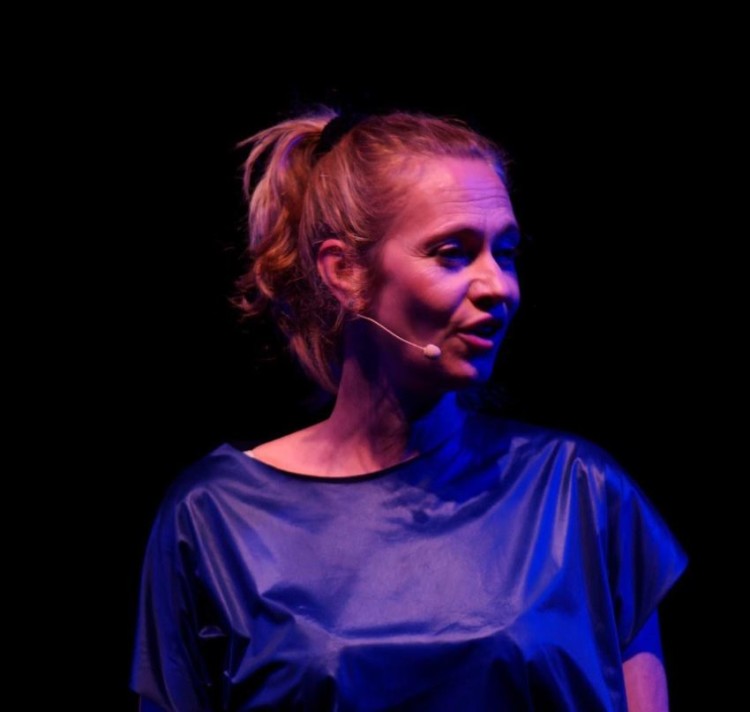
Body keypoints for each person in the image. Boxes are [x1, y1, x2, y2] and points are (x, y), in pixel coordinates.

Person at [131, 109, 687, 711]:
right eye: (453, 253)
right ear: (344, 271)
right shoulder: (218, 517)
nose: (498, 286)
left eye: (505, 252)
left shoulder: (576, 492)